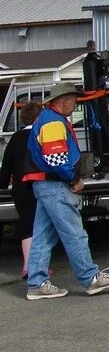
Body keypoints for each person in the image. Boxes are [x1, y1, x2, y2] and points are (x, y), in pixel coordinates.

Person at [25, 82, 109, 300]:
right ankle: (91, 278)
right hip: (55, 186)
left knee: (42, 236)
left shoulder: (47, 119)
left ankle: (36, 283)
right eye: (74, 99)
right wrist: (75, 179)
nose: (76, 103)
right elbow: (55, 160)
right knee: (74, 233)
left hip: (45, 185)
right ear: (63, 100)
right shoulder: (53, 122)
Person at [1, 103, 40, 279]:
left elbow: (6, 167)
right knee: (43, 227)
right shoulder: (41, 136)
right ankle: (38, 266)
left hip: (20, 190)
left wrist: (2, 185)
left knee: (27, 225)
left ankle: (27, 266)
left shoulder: (16, 138)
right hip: (39, 186)